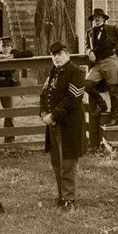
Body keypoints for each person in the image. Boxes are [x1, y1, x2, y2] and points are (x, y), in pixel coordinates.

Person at [39, 42, 86, 211]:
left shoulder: (77, 72)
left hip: (70, 125)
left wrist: (53, 115)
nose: (56, 57)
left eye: (59, 54)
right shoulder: (53, 72)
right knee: (56, 162)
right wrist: (43, 112)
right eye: (53, 55)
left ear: (67, 53)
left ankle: (69, 200)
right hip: (53, 124)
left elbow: (72, 100)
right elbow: (44, 94)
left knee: (68, 163)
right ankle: (61, 196)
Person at [85, 8, 118, 126]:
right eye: (94, 18)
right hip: (98, 63)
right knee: (87, 84)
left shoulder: (112, 29)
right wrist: (89, 51)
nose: (96, 19)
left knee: (113, 89)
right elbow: (86, 46)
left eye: (99, 17)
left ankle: (114, 117)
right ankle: (102, 105)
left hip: (110, 61)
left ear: (103, 18)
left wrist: (115, 49)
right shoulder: (89, 32)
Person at [0, 36, 33, 144]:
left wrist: (12, 55)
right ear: (0, 46)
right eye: (3, 46)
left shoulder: (13, 52)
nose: (6, 48)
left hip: (7, 86)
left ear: (11, 46)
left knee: (9, 113)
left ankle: (9, 140)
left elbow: (29, 53)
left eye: (8, 46)